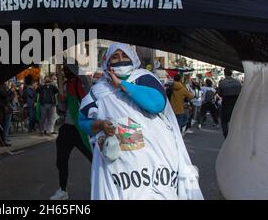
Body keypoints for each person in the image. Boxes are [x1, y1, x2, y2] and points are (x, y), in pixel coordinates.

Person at [78, 43, 203, 200]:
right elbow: (83, 121)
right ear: (107, 63)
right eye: (115, 57)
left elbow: (156, 104)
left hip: (157, 160)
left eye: (125, 56)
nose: (121, 60)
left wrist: (121, 85)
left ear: (133, 58)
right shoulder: (98, 91)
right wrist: (100, 125)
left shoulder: (144, 78)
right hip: (122, 169)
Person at [51, 65, 92, 200]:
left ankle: (107, 185)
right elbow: (62, 109)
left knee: (95, 159)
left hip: (82, 128)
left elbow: (88, 101)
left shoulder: (82, 82)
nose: (65, 72)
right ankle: (62, 190)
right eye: (64, 70)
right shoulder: (66, 84)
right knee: (61, 160)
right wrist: (61, 100)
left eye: (68, 69)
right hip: (67, 128)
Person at [218, 69, 242, 138]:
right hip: (235, 104)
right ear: (231, 73)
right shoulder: (237, 82)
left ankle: (226, 136)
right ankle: (235, 135)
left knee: (224, 121)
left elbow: (220, 94)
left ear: (224, 73)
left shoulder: (222, 83)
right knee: (235, 121)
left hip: (226, 104)